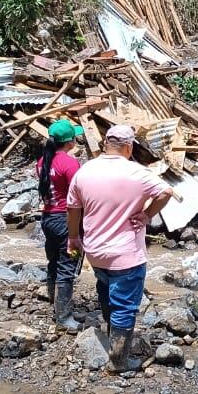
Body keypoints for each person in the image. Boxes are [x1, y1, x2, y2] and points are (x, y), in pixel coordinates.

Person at [67, 125, 172, 372]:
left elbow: (73, 208)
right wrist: (146, 215)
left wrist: (73, 237)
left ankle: (112, 334)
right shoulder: (137, 172)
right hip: (126, 253)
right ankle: (119, 361)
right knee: (125, 304)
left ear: (105, 144)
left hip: (95, 250)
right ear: (129, 146)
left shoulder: (85, 171)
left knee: (105, 288)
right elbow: (166, 192)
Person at [37, 119, 85, 332]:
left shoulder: (43, 161)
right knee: (68, 265)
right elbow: (80, 194)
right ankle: (64, 317)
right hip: (66, 221)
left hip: (47, 218)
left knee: (54, 261)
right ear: (70, 142)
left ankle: (53, 301)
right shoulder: (69, 163)